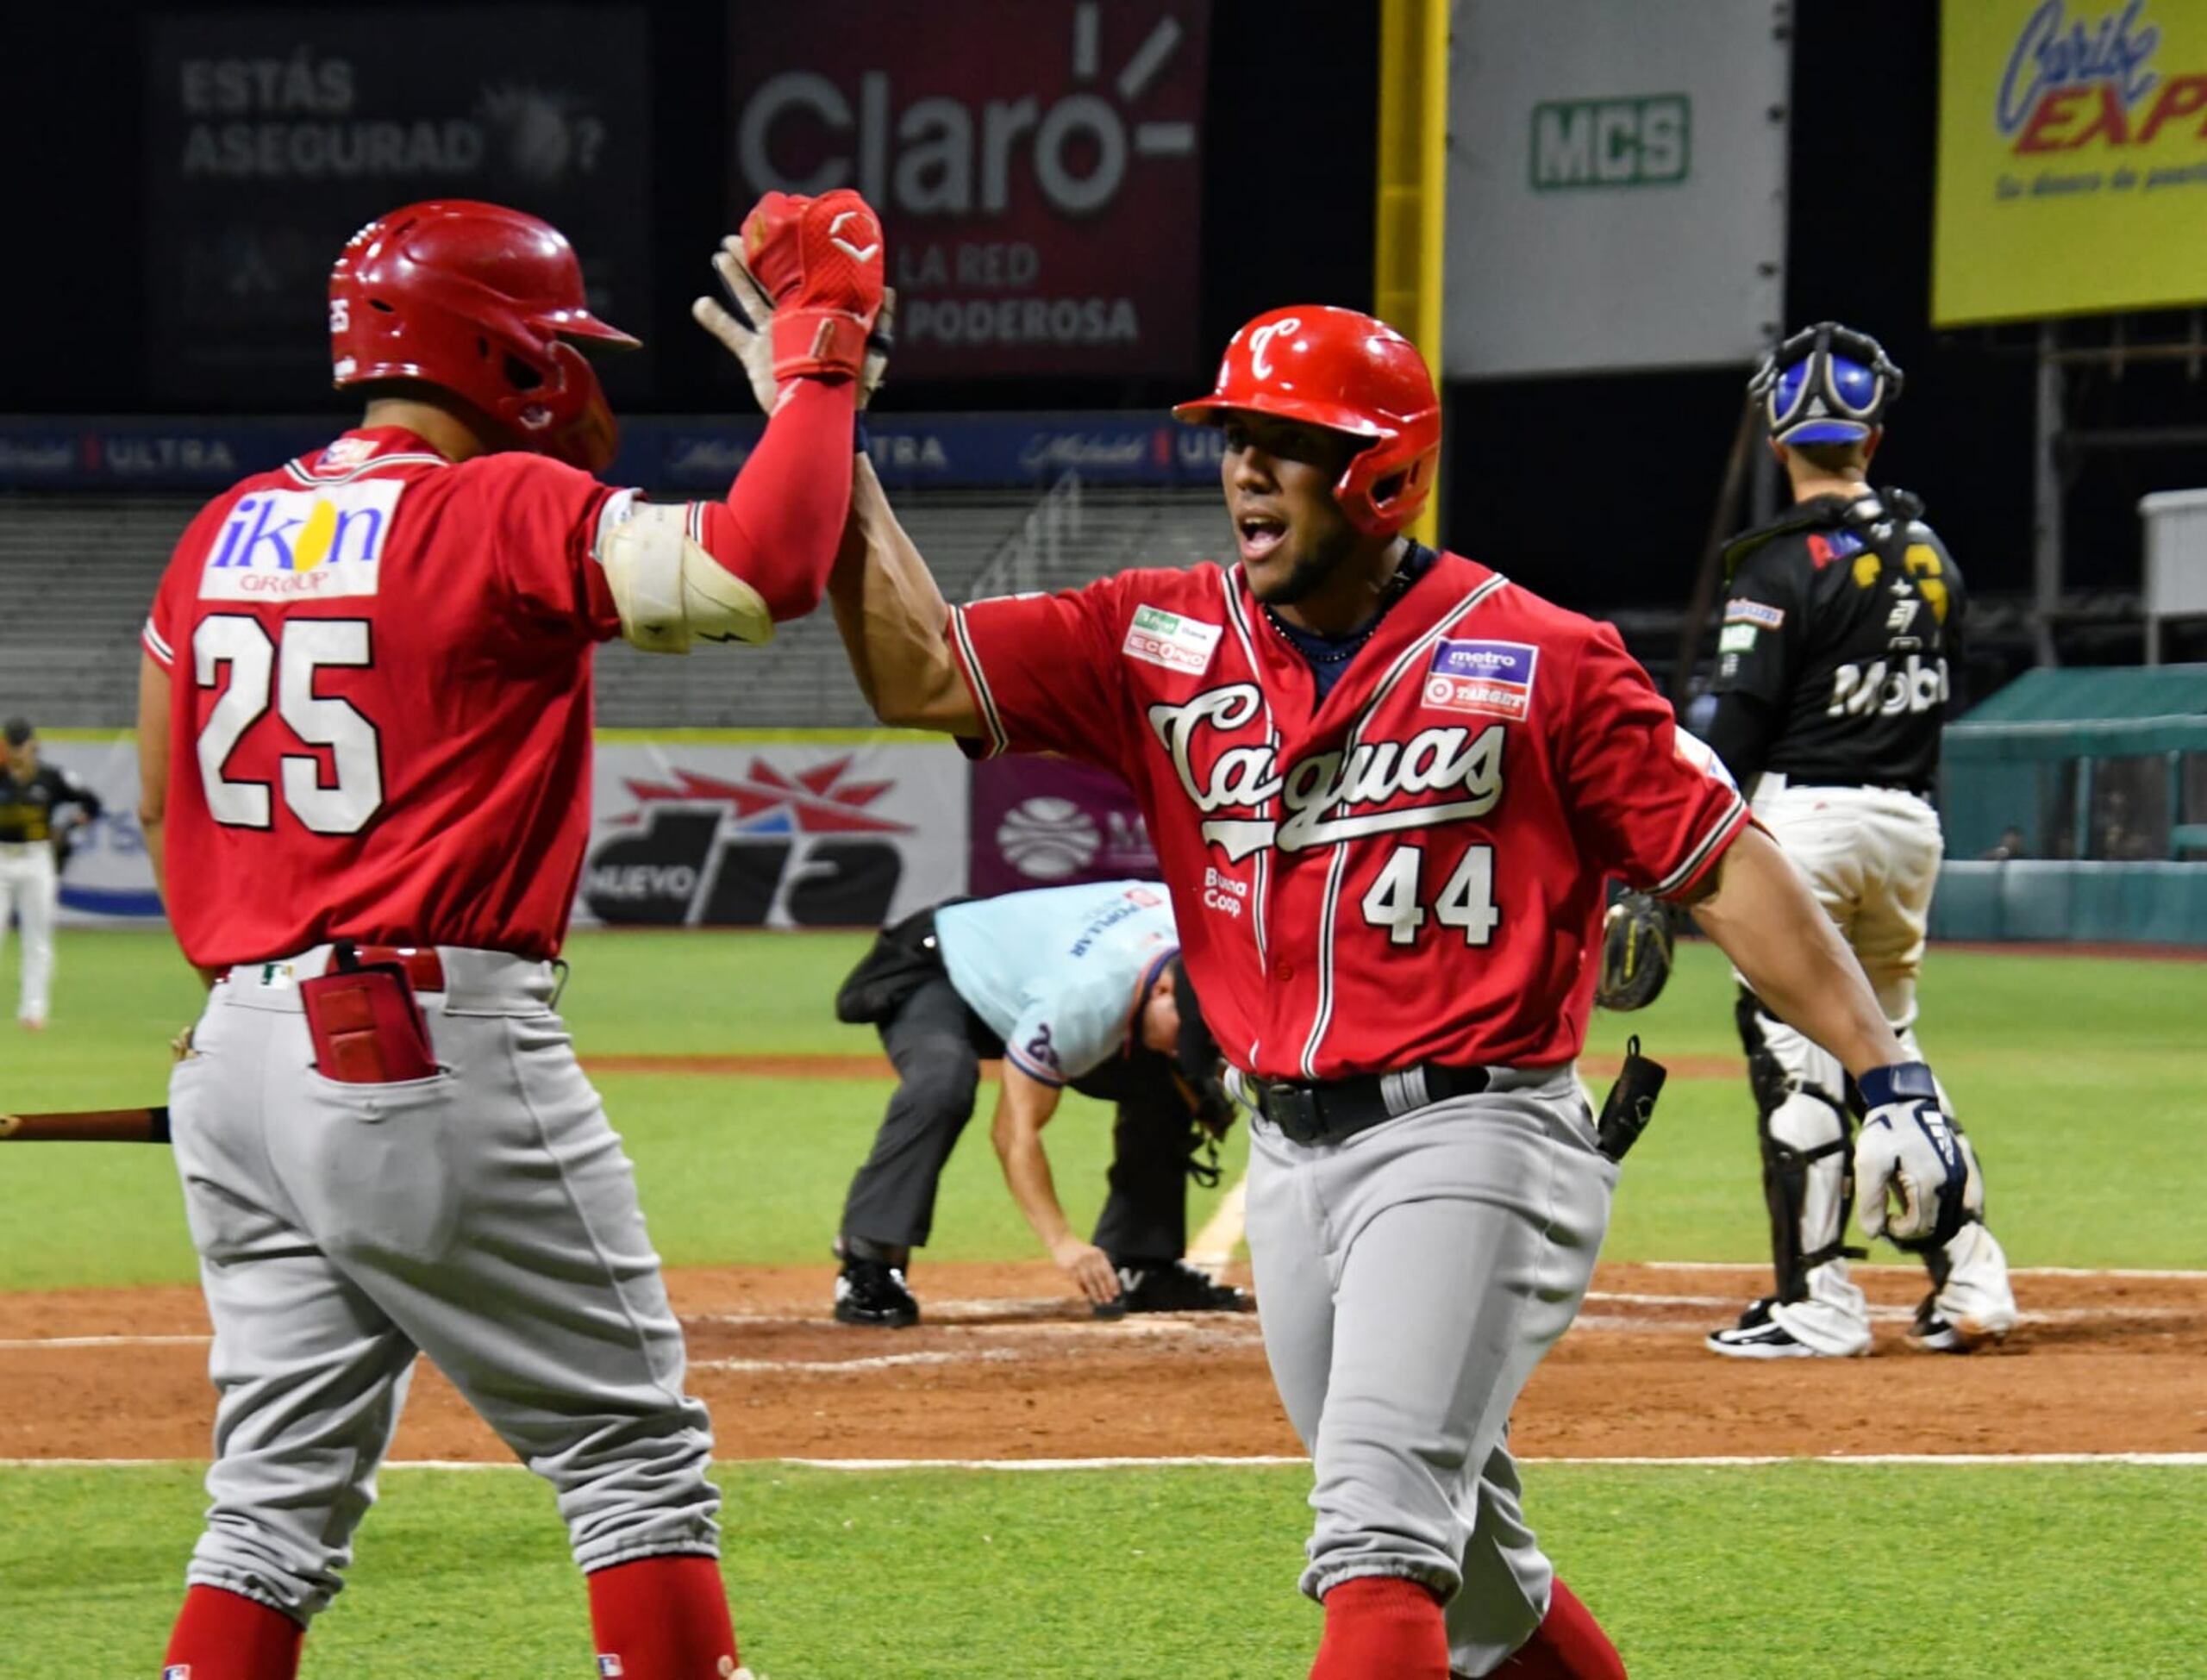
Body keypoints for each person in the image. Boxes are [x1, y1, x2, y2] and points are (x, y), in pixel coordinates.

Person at [697, 279, 1984, 1680]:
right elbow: (921, 670)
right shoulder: (1158, 636)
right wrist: (818, 437)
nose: (1244, 464)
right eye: (1233, 434)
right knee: (1483, 1583)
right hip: (1296, 1155)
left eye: (1283, 437)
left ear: (1381, 474)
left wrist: (1887, 1067)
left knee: (1374, 1540)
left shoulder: (1545, 657)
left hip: (1477, 1134)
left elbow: (1725, 862)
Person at [134, 190, 883, 1680]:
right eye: (552, 346)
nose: (570, 374)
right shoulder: (492, 506)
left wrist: (247, 990)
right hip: (417, 1036)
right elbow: (764, 565)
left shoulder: (222, 527)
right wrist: (822, 365)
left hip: (237, 1057)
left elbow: (165, 794)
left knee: (269, 1513)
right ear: (501, 353)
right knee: (634, 1457)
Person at [1701, 322, 2017, 1360]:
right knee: (1888, 1047)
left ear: (1780, 433)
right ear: (1871, 437)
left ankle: (1817, 1298)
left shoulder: (1781, 566)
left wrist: (1667, 865)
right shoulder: (1932, 552)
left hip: (1809, 824)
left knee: (1795, 1052)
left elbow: (1735, 727)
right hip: (1910, 823)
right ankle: (1972, 1275)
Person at [829, 879, 1247, 1325]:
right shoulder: (1081, 1002)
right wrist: (1062, 1242)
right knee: (943, 1080)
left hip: (1036, 978)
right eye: (1181, 1036)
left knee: (1172, 1082)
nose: (1182, 1047)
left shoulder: (1205, 939)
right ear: (1163, 990)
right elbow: (1013, 1133)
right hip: (940, 969)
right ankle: (868, 1263)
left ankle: (1141, 1263)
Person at [0, 717, 104, 1029]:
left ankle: (34, 1011)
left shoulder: (52, 778)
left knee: (37, 936)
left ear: (33, 745)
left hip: (36, 858)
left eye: (23, 745)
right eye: (12, 745)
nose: (18, 753)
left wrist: (69, 828)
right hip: (1, 857)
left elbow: (91, 802)